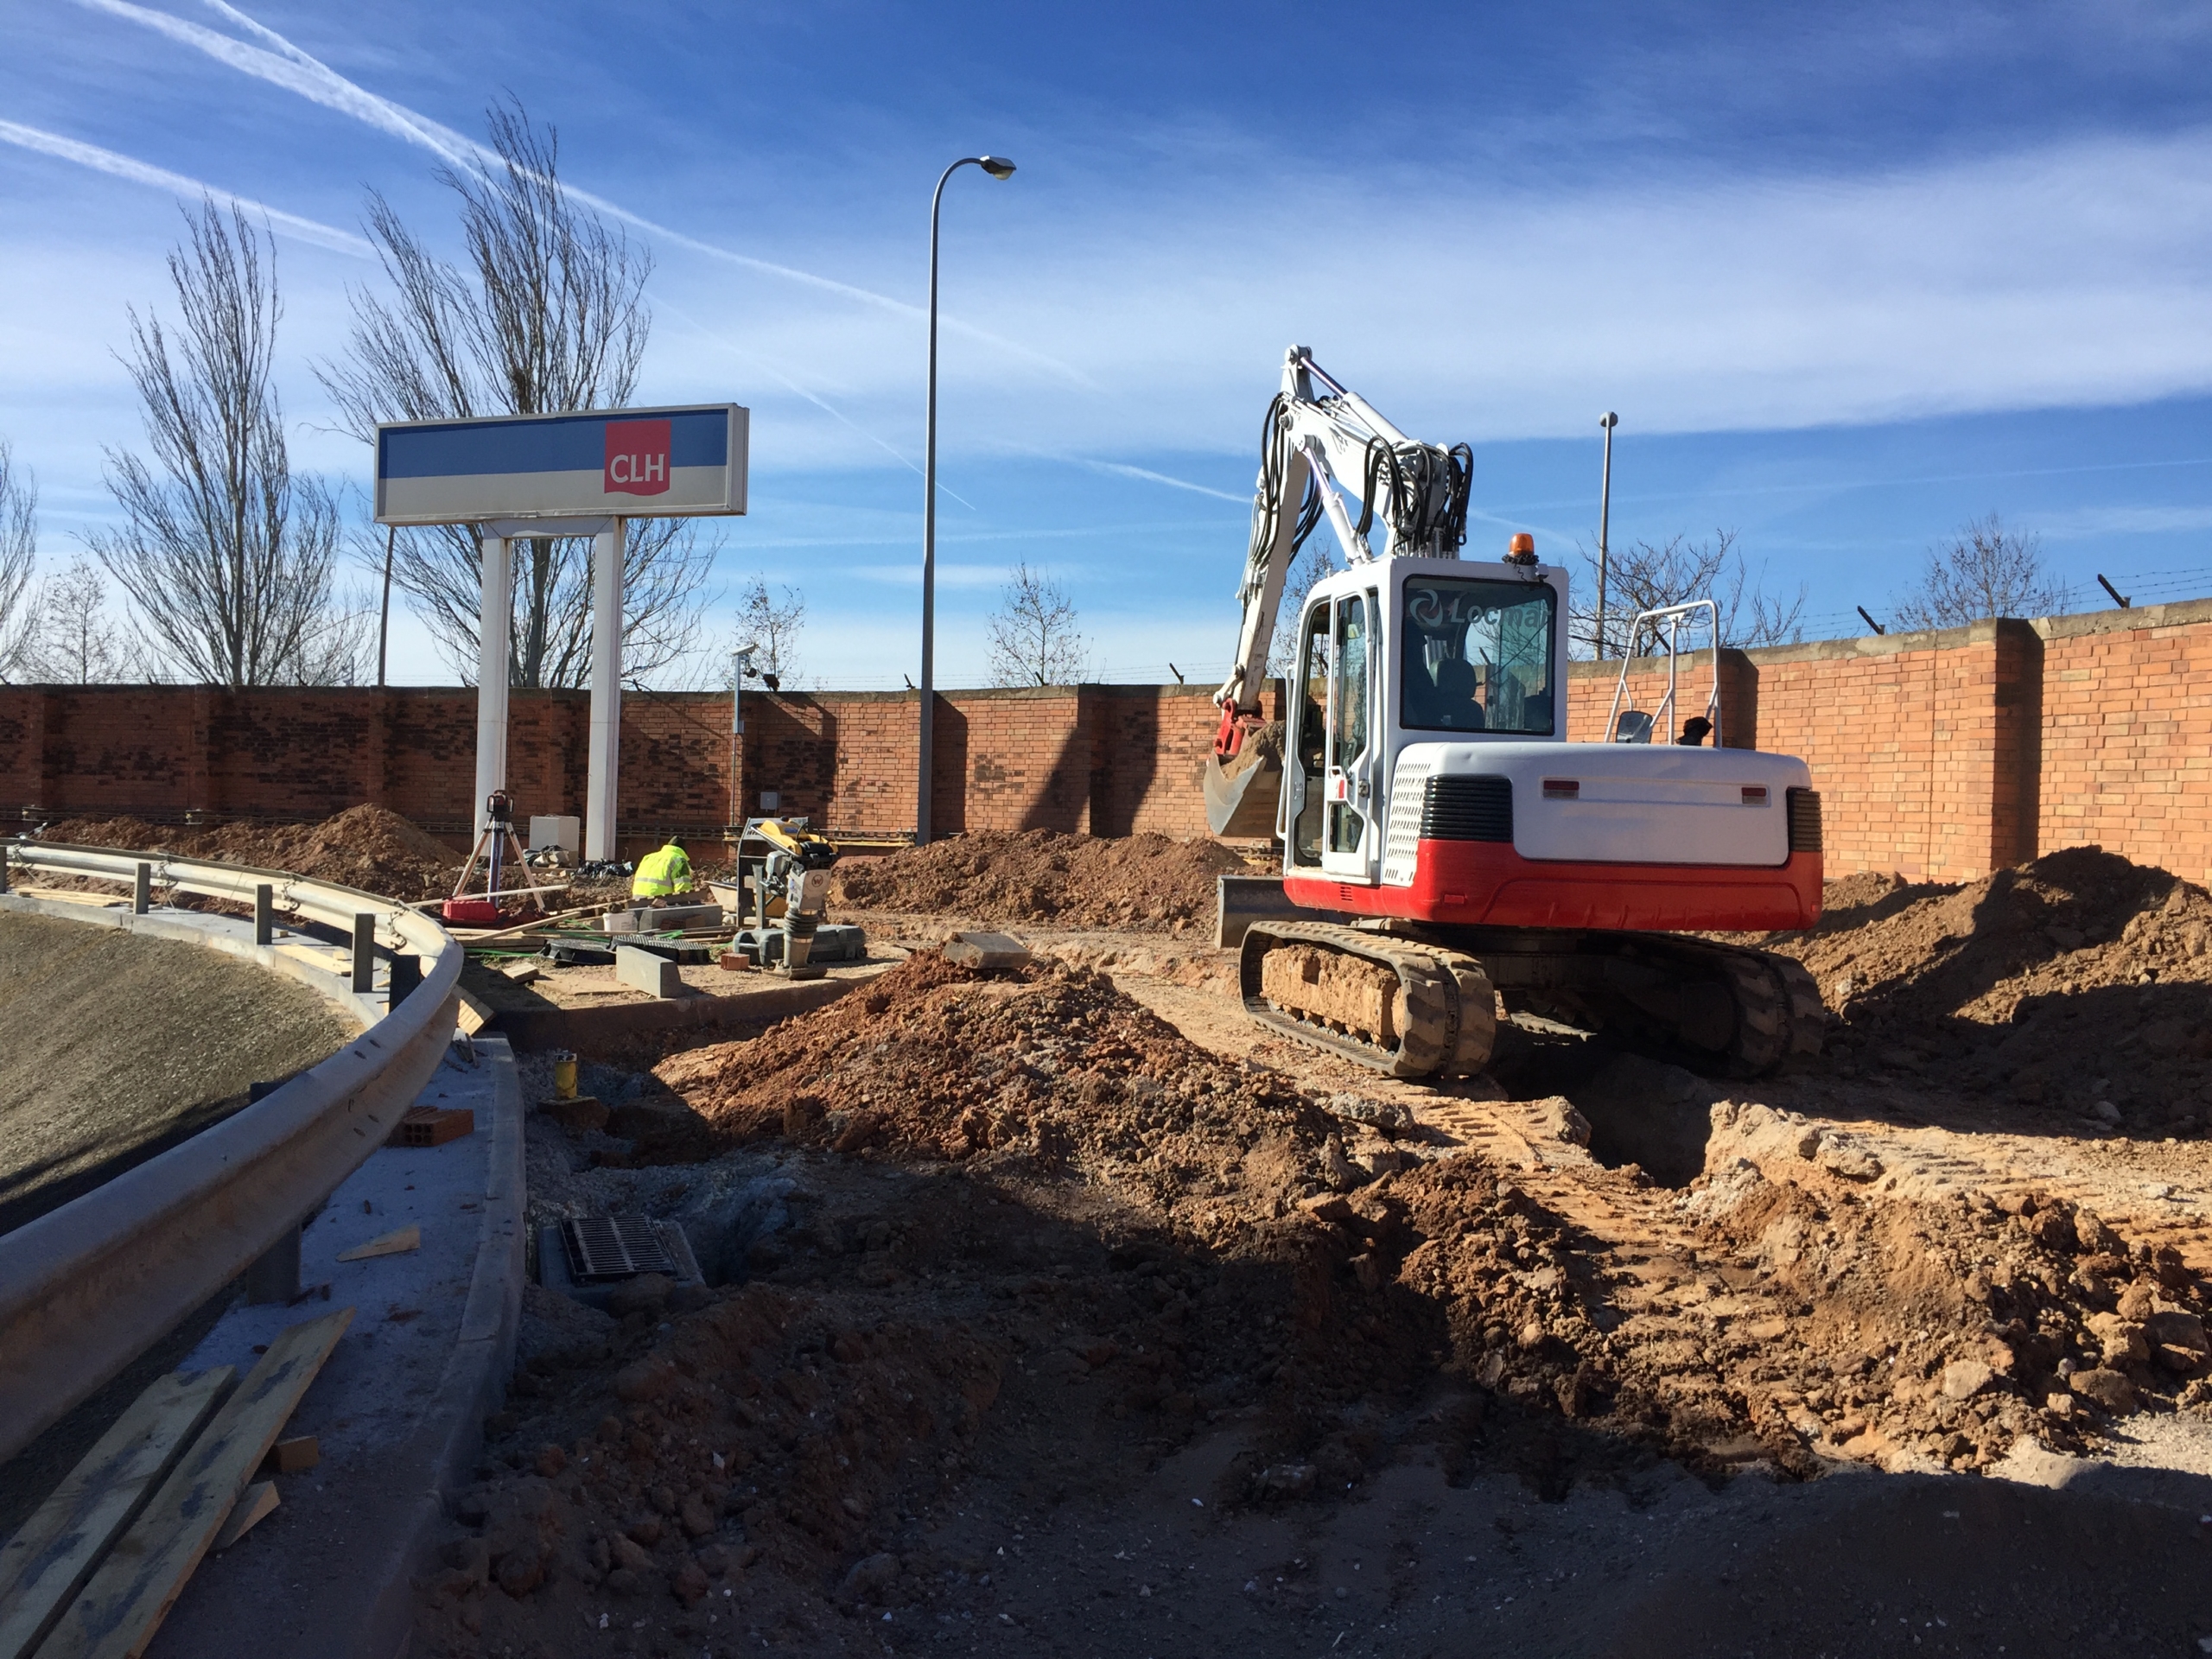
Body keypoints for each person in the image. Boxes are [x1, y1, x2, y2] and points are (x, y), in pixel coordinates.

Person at [632, 833, 696, 904]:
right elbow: (683, 889)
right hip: (659, 903)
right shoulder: (678, 860)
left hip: (637, 900)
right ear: (683, 850)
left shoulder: (647, 857)